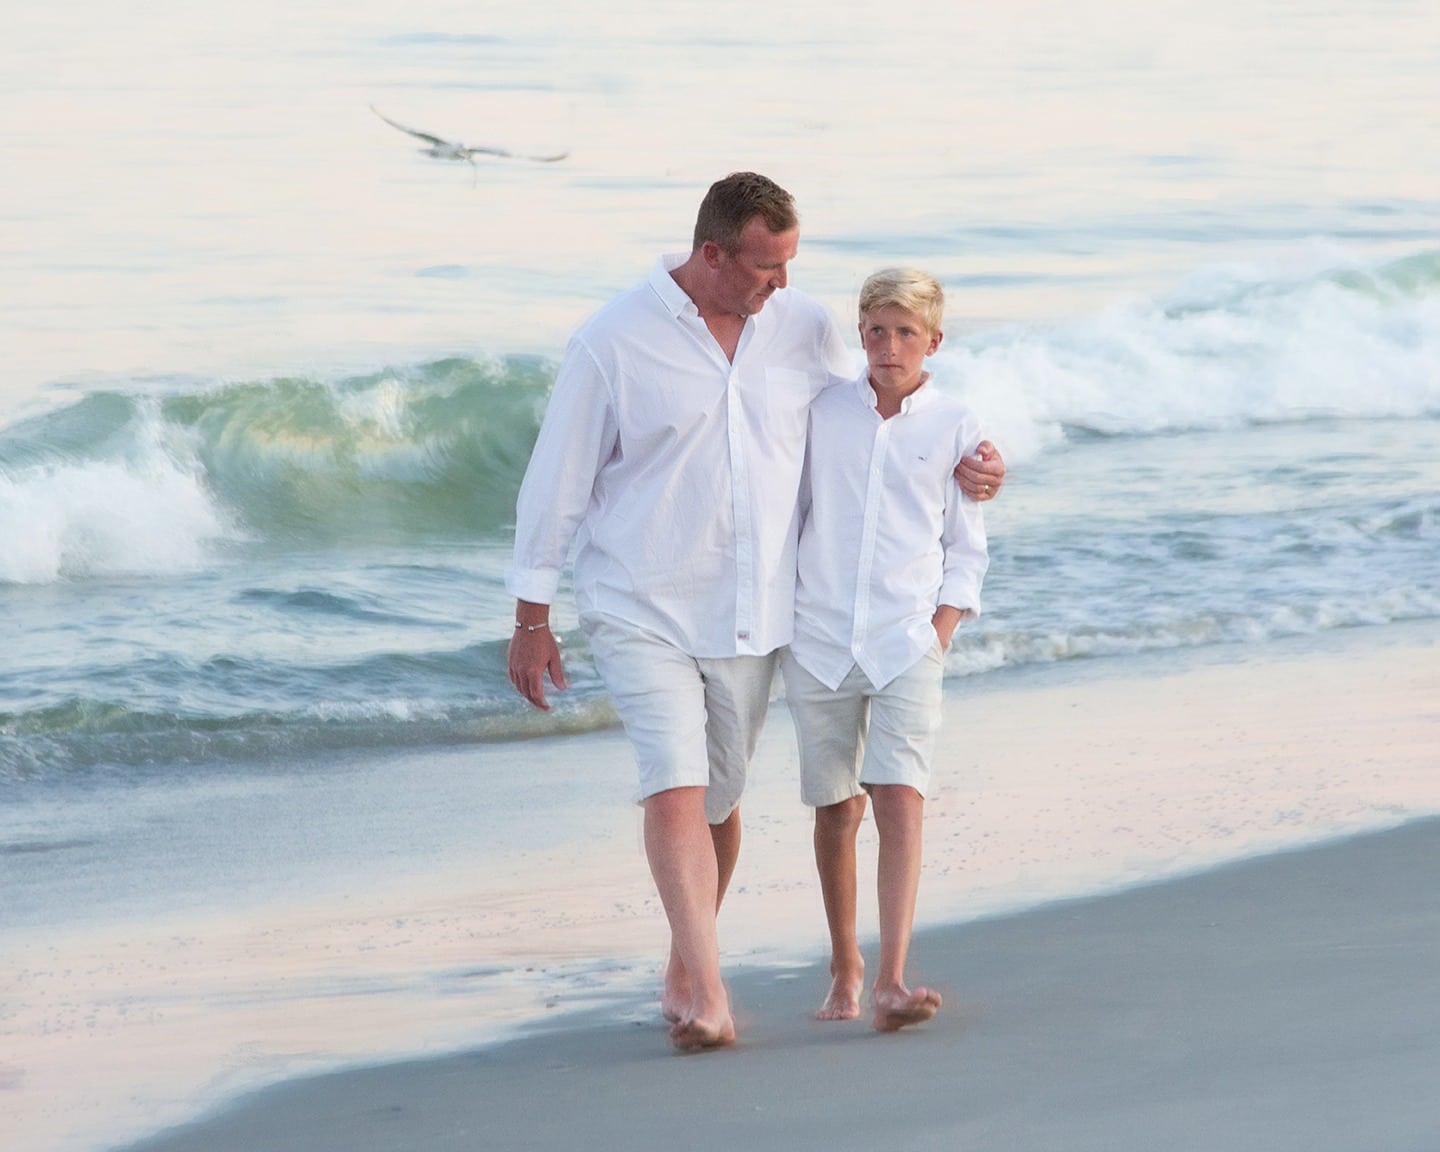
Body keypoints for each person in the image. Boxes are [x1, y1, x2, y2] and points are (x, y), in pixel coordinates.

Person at [506, 174, 1005, 1050]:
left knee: (720, 801)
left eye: (788, 266)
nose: (781, 285)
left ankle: (680, 963)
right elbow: (556, 484)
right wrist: (532, 616)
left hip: (755, 612)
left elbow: (876, 420)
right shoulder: (611, 343)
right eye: (766, 267)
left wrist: (973, 466)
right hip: (639, 599)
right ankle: (709, 997)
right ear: (712, 255)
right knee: (674, 782)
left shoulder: (803, 327)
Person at [781, 268, 987, 1032]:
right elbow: (791, 510)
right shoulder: (823, 411)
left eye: (906, 333)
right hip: (820, 637)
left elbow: (967, 549)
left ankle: (894, 977)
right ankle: (846, 965)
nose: (889, 345)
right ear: (858, 333)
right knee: (835, 808)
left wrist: (937, 634)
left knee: (900, 795)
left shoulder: (958, 426)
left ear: (934, 340)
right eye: (876, 330)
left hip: (907, 640)